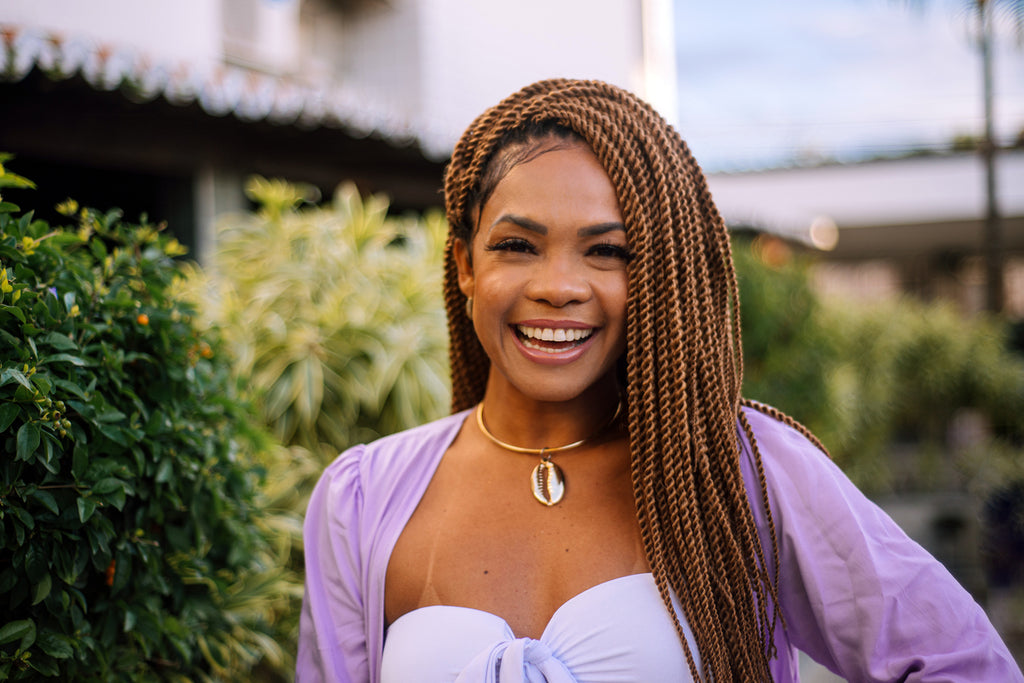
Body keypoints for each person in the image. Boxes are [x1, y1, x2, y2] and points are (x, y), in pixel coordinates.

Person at [297, 79, 1022, 682]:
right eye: (517, 245)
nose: (559, 286)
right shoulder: (361, 500)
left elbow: (964, 664)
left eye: (607, 251)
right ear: (464, 264)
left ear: (658, 273)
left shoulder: (739, 470)